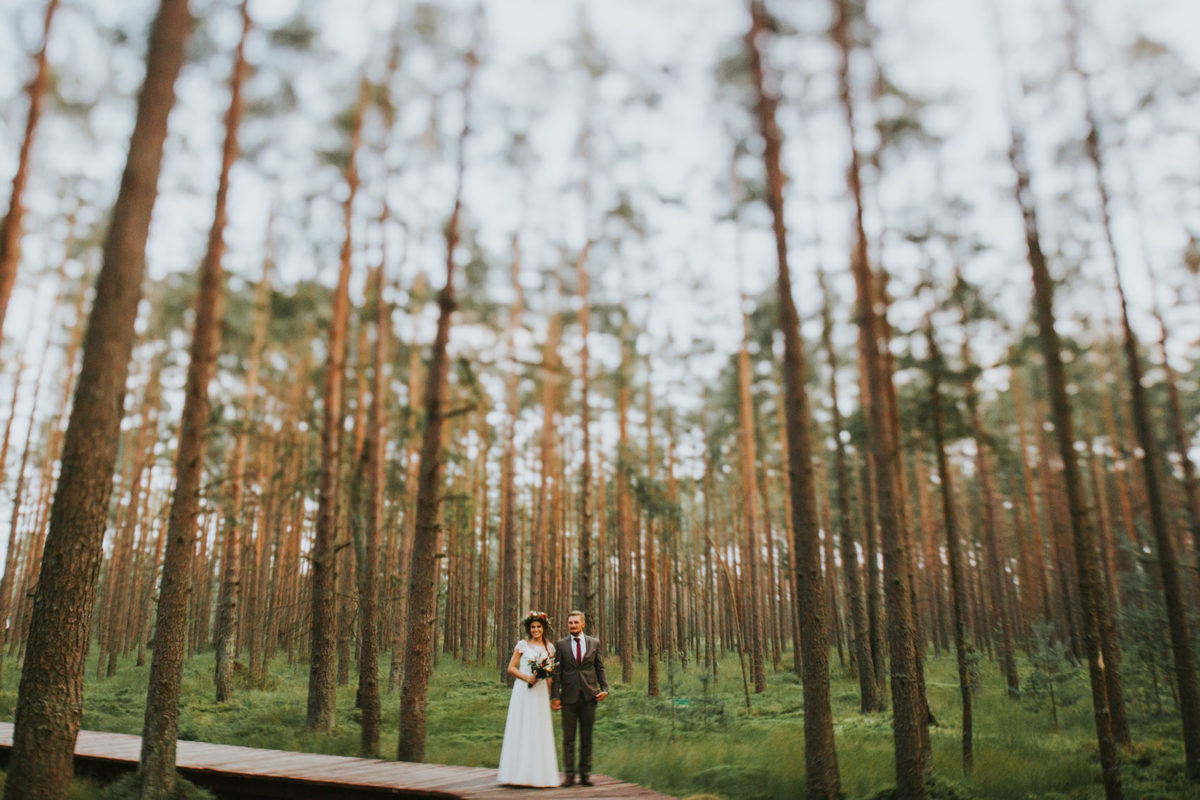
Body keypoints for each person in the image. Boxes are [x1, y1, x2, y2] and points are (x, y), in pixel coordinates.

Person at [497, 610, 559, 787]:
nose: (536, 630)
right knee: (521, 726)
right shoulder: (522, 645)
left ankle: (539, 775)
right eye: (533, 627)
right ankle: (517, 774)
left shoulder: (550, 648)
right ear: (529, 628)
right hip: (523, 691)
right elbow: (511, 668)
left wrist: (551, 697)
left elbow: (549, 676)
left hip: (539, 693)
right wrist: (527, 678)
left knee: (538, 729)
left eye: (539, 627)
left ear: (544, 628)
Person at [551, 610, 608, 787]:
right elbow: (557, 672)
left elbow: (600, 668)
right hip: (568, 697)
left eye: (576, 623)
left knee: (586, 737)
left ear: (583, 624)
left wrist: (604, 688)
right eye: (570, 623)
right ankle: (569, 775)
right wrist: (555, 696)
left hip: (589, 696)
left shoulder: (594, 643)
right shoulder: (561, 645)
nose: (573, 626)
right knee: (568, 739)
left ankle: (585, 774)